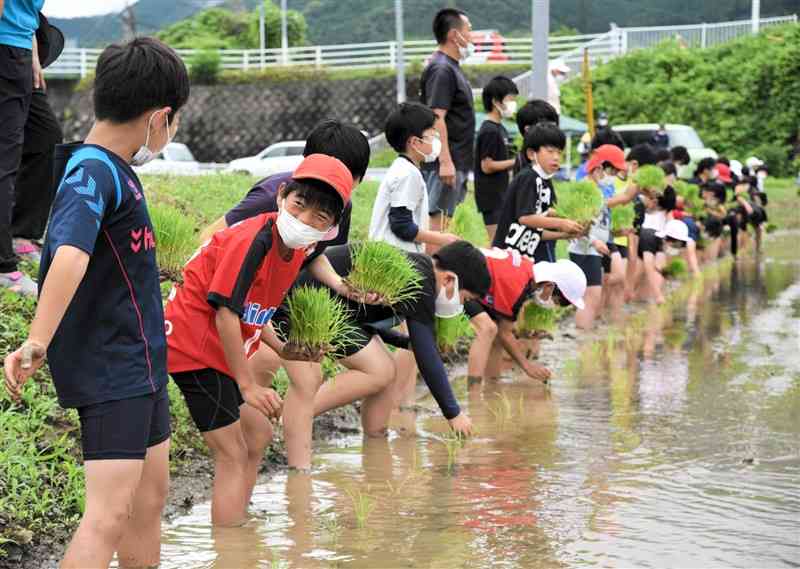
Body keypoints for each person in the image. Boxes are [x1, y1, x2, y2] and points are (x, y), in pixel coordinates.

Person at [3, 37, 190, 568]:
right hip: (113, 369)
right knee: (107, 515)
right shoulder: (93, 170)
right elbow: (67, 253)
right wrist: (36, 340)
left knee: (149, 500)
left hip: (145, 364)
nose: (170, 135)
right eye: (173, 125)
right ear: (160, 116)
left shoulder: (117, 170)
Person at [164, 154, 353, 526]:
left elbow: (253, 309)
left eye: (320, 216)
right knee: (232, 453)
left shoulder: (296, 250)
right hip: (193, 347)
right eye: (300, 204)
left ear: (332, 227)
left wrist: (283, 349)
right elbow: (226, 312)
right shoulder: (252, 240)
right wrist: (248, 384)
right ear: (282, 195)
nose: (304, 219)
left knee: (259, 431)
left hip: (216, 347)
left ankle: (239, 520)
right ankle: (232, 544)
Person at [272, 240, 491, 470]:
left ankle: (375, 442)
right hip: (307, 303)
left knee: (388, 369)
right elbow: (428, 357)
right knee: (379, 370)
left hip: (338, 309)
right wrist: (453, 413)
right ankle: (295, 414)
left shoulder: (419, 271)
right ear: (449, 279)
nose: (461, 304)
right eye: (465, 298)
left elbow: (367, 318)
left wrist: (402, 342)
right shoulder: (422, 282)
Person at [465, 250, 586, 384]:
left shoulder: (527, 273)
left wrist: (522, 333)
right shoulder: (518, 285)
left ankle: (492, 385)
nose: (554, 305)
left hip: (472, 282)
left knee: (494, 331)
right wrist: (528, 366)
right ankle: (474, 394)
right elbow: (505, 334)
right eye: (557, 301)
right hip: (458, 279)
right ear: (549, 286)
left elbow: (504, 327)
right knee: (488, 329)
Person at [368, 102, 457, 253]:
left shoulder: (404, 168)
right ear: (415, 142)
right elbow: (401, 225)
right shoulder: (408, 174)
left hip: (392, 255)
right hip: (394, 257)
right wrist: (442, 239)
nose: (436, 140)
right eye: (432, 135)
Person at [569, 144, 640, 330]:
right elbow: (577, 224)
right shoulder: (585, 188)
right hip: (584, 249)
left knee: (594, 294)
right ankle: (582, 340)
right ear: (599, 167)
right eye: (613, 170)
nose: (614, 175)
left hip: (594, 248)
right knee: (591, 295)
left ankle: (587, 336)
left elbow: (602, 220)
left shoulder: (598, 188)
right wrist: (593, 241)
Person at [493, 122, 583, 265]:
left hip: (524, 258)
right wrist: (561, 223)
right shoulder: (529, 177)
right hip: (507, 257)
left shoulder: (544, 180)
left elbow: (536, 231)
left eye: (559, 152)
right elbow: (526, 218)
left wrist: (564, 234)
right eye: (550, 151)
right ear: (531, 154)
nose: (556, 157)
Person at [0, 0, 43, 295]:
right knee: (4, 161)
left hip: (21, 50)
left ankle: (20, 231)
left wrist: (35, 57)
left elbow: (28, 14)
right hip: (5, 51)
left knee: (45, 137)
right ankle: (3, 267)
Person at [420, 8, 475, 232]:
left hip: (457, 159)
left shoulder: (451, 67)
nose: (472, 36)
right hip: (445, 162)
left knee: (446, 221)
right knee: (438, 222)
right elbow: (436, 116)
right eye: (469, 30)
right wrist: (445, 161)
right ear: (455, 35)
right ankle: (433, 266)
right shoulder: (442, 69)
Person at [474, 76, 518, 240]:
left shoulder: (501, 129)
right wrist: (516, 162)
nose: (513, 103)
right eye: (510, 99)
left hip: (501, 193)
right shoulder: (489, 131)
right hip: (491, 196)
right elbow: (487, 165)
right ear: (496, 101)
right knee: (497, 244)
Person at [512, 98, 559, 175]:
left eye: (554, 127)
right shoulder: (527, 163)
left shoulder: (540, 156)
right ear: (528, 130)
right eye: (548, 127)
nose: (553, 132)